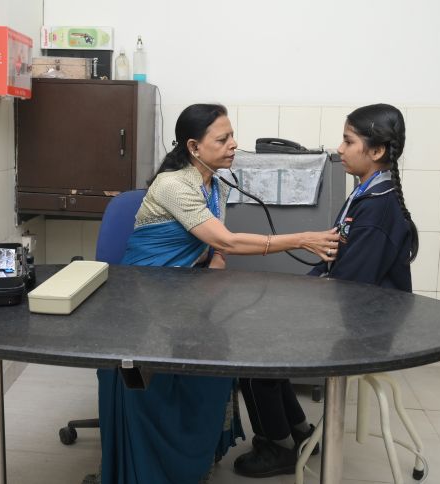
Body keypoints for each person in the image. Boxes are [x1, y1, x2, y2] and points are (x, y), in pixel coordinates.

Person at [93, 103, 341, 484]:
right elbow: (226, 239)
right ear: (194, 147)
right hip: (144, 298)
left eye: (232, 136)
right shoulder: (173, 185)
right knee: (166, 365)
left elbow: (215, 248)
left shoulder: (216, 186)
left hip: (185, 294)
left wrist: (215, 264)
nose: (234, 145)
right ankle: (153, 468)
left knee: (217, 356)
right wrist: (302, 239)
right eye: (223, 139)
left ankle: (194, 458)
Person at [234, 103, 419, 478]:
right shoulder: (365, 195)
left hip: (363, 330)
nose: (340, 148)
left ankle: (277, 446)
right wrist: (301, 288)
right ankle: (299, 430)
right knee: (262, 334)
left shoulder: (378, 209)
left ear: (376, 151)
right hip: (352, 313)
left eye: (349, 141)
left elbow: (349, 286)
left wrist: (299, 303)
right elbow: (333, 259)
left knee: (254, 353)